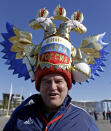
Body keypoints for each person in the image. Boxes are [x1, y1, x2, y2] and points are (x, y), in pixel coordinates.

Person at [1, 5, 108, 131]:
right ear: (38, 84)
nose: (53, 87)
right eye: (46, 81)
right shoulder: (19, 117)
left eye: (58, 81)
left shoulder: (84, 121)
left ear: (67, 84)